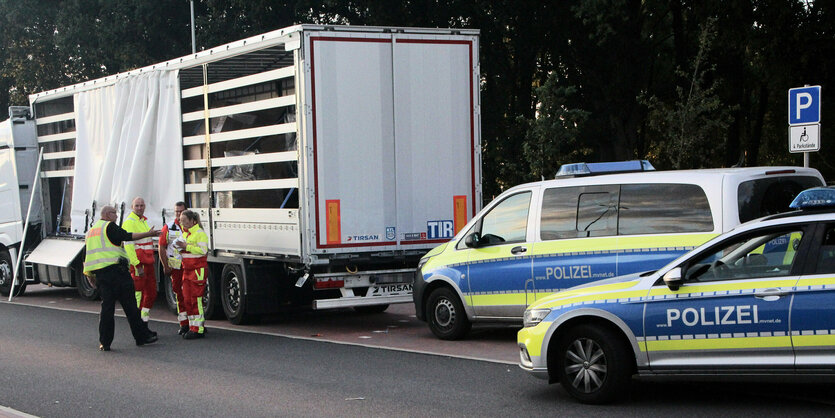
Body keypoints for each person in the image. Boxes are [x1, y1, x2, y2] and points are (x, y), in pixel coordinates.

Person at [83, 205, 160, 351]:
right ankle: (142, 336)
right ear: (106, 214)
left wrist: (89, 275)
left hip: (101, 275)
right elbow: (127, 236)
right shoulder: (109, 227)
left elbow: (87, 255)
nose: (117, 216)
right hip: (117, 273)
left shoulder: (91, 231)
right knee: (131, 307)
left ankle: (105, 342)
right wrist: (147, 234)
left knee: (107, 309)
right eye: (114, 213)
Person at [122, 197, 158, 328]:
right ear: (132, 207)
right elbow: (129, 246)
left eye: (142, 205)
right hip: (139, 265)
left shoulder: (143, 221)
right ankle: (137, 323)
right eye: (137, 205)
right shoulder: (130, 222)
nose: (139, 208)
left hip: (148, 263)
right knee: (139, 294)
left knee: (151, 292)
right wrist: (137, 265)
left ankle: (143, 321)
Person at [176, 210, 209, 339]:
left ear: (193, 221)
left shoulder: (200, 234)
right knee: (187, 299)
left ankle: (198, 328)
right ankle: (192, 326)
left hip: (197, 270)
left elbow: (203, 250)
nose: (182, 223)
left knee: (196, 299)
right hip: (187, 269)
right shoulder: (186, 233)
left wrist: (186, 246)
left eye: (184, 221)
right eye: (181, 221)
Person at [159, 202, 188, 335]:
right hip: (176, 268)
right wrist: (165, 266)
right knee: (179, 295)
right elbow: (162, 247)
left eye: (181, 211)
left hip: (190, 267)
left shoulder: (192, 227)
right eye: (176, 211)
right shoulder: (169, 227)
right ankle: (183, 324)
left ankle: (196, 325)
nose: (178, 214)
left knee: (193, 295)